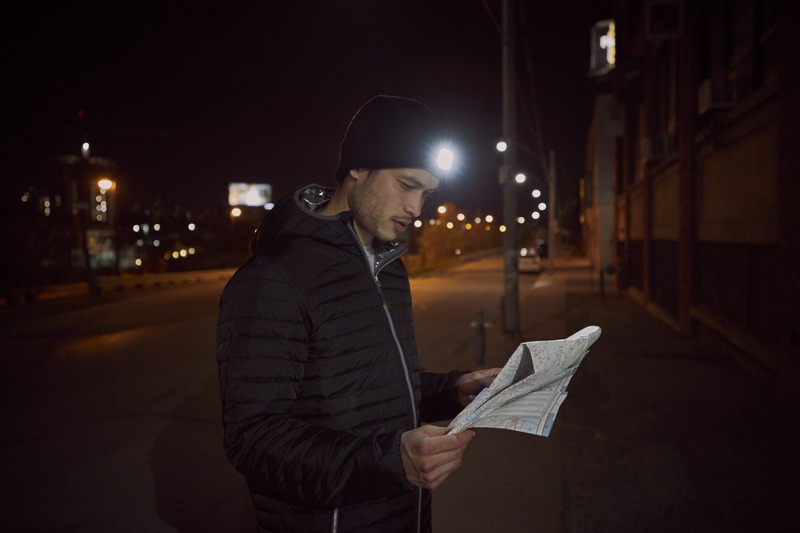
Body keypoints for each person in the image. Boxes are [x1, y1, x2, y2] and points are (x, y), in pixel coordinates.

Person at [216, 95, 499, 533]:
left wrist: (456, 389)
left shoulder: (390, 270)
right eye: (407, 185)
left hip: (405, 517)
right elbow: (253, 439)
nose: (416, 209)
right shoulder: (274, 278)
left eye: (426, 193)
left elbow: (375, 386)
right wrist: (391, 460)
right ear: (358, 167)